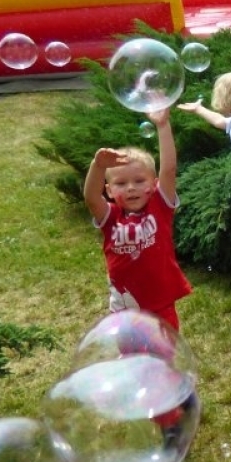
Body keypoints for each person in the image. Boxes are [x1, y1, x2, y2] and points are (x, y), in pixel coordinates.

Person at [82, 108, 192, 331]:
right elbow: (91, 197)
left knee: (163, 355)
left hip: (160, 304)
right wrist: (98, 166)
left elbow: (169, 169)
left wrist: (162, 125)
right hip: (125, 307)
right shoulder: (111, 216)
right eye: (121, 184)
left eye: (139, 181)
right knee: (132, 357)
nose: (131, 188)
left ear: (153, 184)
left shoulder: (159, 206)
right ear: (109, 190)